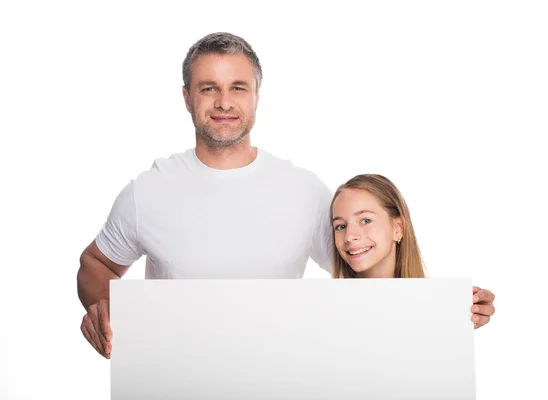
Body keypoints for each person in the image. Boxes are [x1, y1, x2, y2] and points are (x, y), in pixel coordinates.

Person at [77, 32, 496, 359]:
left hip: (280, 381)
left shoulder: (304, 192)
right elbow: (96, 264)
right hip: (172, 381)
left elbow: (368, 279)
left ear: (257, 96)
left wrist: (441, 310)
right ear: (186, 98)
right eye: (208, 88)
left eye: (238, 87)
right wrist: (102, 308)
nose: (224, 102)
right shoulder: (147, 191)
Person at [330, 174, 495, 327]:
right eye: (340, 226)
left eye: (366, 220)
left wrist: (461, 317)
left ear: (398, 228)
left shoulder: (435, 307)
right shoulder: (327, 312)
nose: (349, 236)